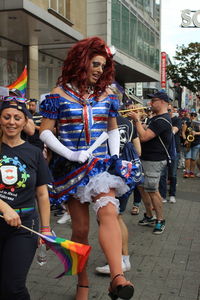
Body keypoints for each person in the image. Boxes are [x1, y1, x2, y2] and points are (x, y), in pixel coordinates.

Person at [39, 37, 134, 300]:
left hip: (100, 166)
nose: (99, 70)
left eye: (103, 66)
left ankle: (118, 277)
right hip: (69, 170)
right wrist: (71, 153)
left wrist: (114, 156)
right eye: (95, 64)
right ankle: (82, 283)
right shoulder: (58, 95)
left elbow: (112, 129)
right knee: (80, 230)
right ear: (81, 62)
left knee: (108, 212)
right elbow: (45, 132)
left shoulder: (108, 95)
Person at [0, 97, 52, 299]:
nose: (11, 122)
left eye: (17, 117)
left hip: (24, 227)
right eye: (6, 117)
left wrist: (45, 229)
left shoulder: (34, 152)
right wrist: (4, 207)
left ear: (25, 122)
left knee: (13, 287)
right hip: (3, 217)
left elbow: (42, 193)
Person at [96, 108, 141, 274]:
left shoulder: (101, 122)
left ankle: (118, 260)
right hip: (126, 173)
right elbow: (139, 151)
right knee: (117, 216)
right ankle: (124, 259)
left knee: (110, 219)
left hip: (108, 174)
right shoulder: (129, 123)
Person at [128, 91, 172, 235]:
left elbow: (145, 136)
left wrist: (136, 120)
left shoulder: (162, 120)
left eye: (154, 100)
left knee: (153, 190)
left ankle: (160, 220)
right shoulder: (156, 118)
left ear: (163, 102)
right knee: (142, 187)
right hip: (145, 158)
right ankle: (149, 216)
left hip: (154, 159)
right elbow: (144, 133)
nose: (150, 103)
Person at [159, 104, 182, 203]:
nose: (168, 112)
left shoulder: (177, 120)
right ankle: (163, 196)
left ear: (173, 110)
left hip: (174, 150)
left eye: (170, 110)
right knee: (163, 174)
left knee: (173, 174)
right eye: (167, 110)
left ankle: (172, 194)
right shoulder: (162, 119)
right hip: (163, 150)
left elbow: (173, 131)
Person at [182, 112, 200, 178]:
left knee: (193, 158)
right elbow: (183, 132)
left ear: (196, 117)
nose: (193, 117)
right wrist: (185, 139)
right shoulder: (186, 123)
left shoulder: (198, 124)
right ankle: (187, 171)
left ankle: (192, 172)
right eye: (191, 115)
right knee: (187, 158)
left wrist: (196, 133)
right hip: (188, 142)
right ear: (190, 116)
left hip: (196, 142)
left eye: (194, 116)